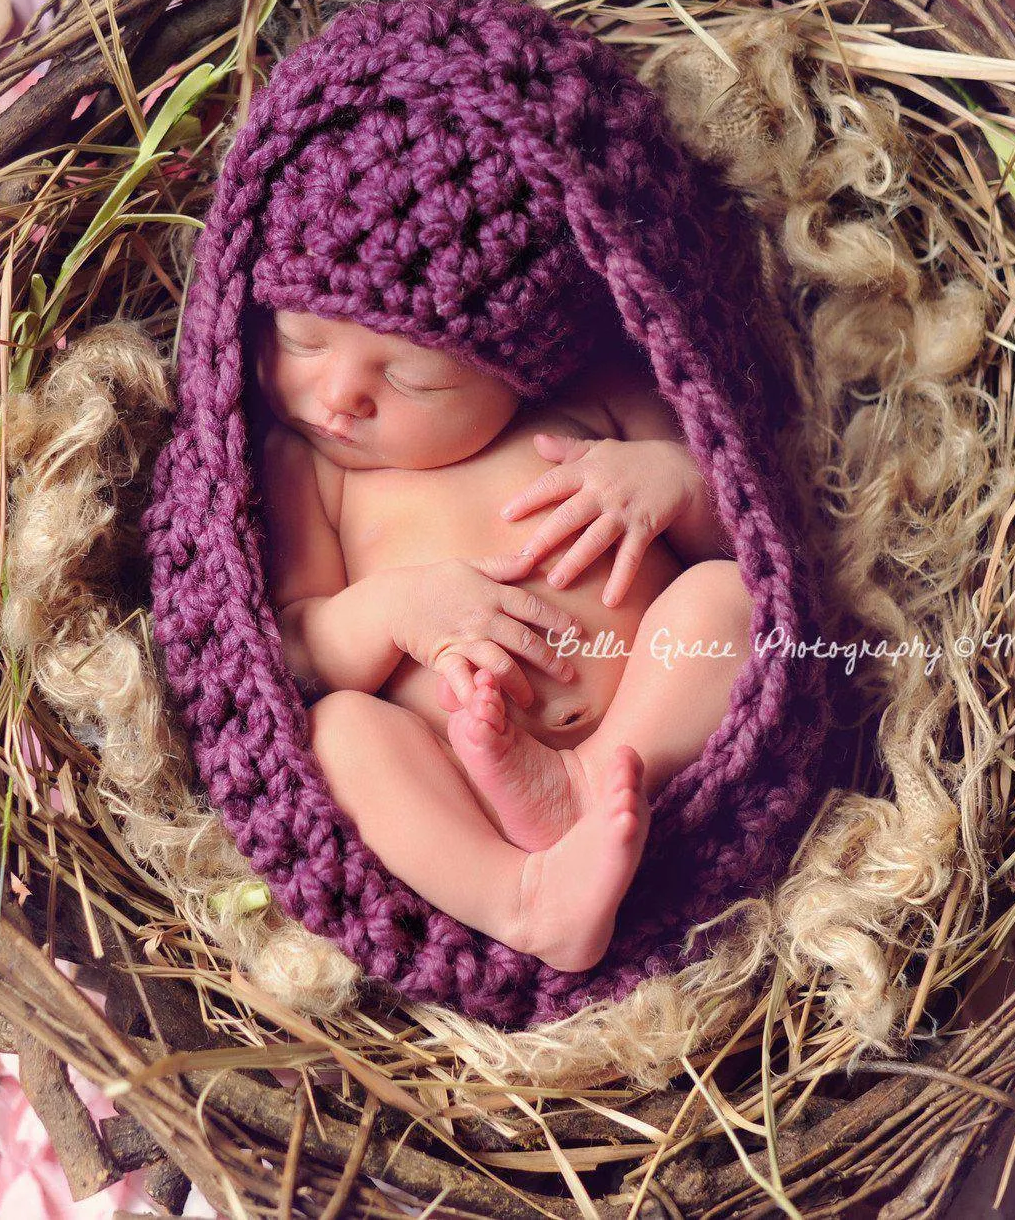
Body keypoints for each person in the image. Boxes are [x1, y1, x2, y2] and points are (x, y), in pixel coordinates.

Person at [255, 302, 753, 973]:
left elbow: (744, 530)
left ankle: (585, 778)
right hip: (455, 780)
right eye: (302, 341)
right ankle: (525, 898)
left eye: (412, 378)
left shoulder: (602, 393)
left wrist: (676, 481)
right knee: (336, 731)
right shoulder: (311, 465)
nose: (339, 394)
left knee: (733, 596)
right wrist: (394, 609)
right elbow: (295, 649)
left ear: (521, 367)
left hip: (652, 736)